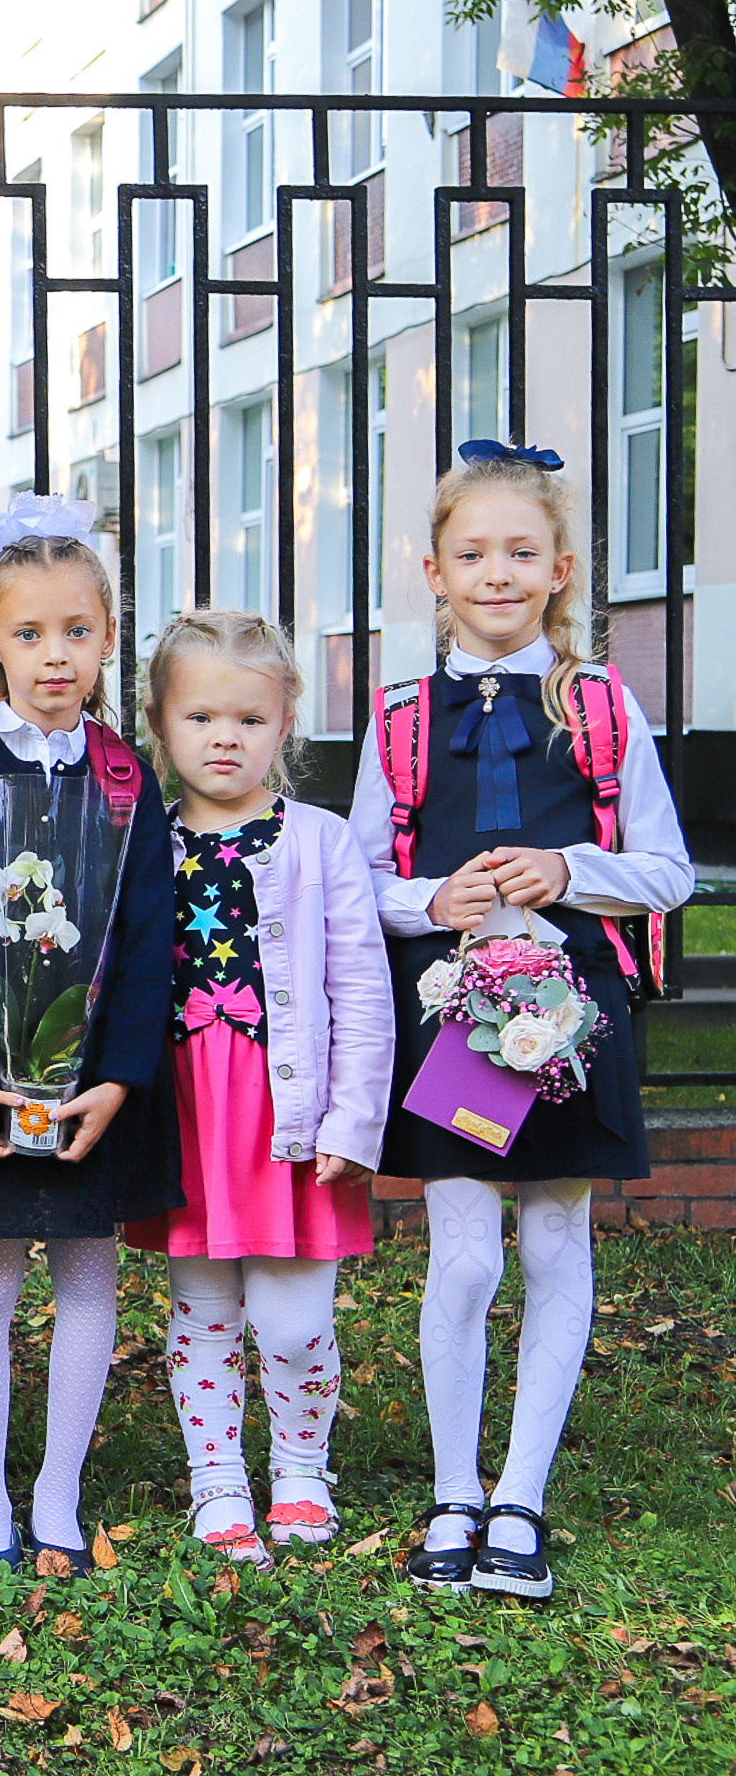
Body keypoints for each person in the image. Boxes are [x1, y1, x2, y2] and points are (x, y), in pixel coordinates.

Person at [352, 444, 692, 1601]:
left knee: (553, 1246)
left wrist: (565, 864)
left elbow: (668, 870)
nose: (496, 573)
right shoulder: (399, 715)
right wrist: (427, 899)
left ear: (557, 569)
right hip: (455, 1021)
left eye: (519, 552)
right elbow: (358, 882)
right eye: (470, 553)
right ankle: (454, 1492)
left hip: (571, 1014)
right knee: (462, 1257)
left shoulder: (600, 705)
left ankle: (520, 1500)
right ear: (434, 572)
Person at [0, 494, 180, 1577]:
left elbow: (148, 941)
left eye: (76, 630)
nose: (52, 655)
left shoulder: (124, 778)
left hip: (94, 1083)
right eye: (27, 632)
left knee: (89, 1274)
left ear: (108, 636)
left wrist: (119, 1079)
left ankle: (56, 1491)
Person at [128, 610, 395, 1566]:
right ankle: (218, 1485)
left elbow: (361, 987)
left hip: (292, 1110)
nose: (225, 738)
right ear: (161, 726)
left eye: (250, 718)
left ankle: (302, 1471)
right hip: (189, 1111)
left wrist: (353, 1120)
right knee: (201, 1306)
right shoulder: (136, 846)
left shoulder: (320, 843)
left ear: (286, 726)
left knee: (292, 1319)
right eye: (200, 718)